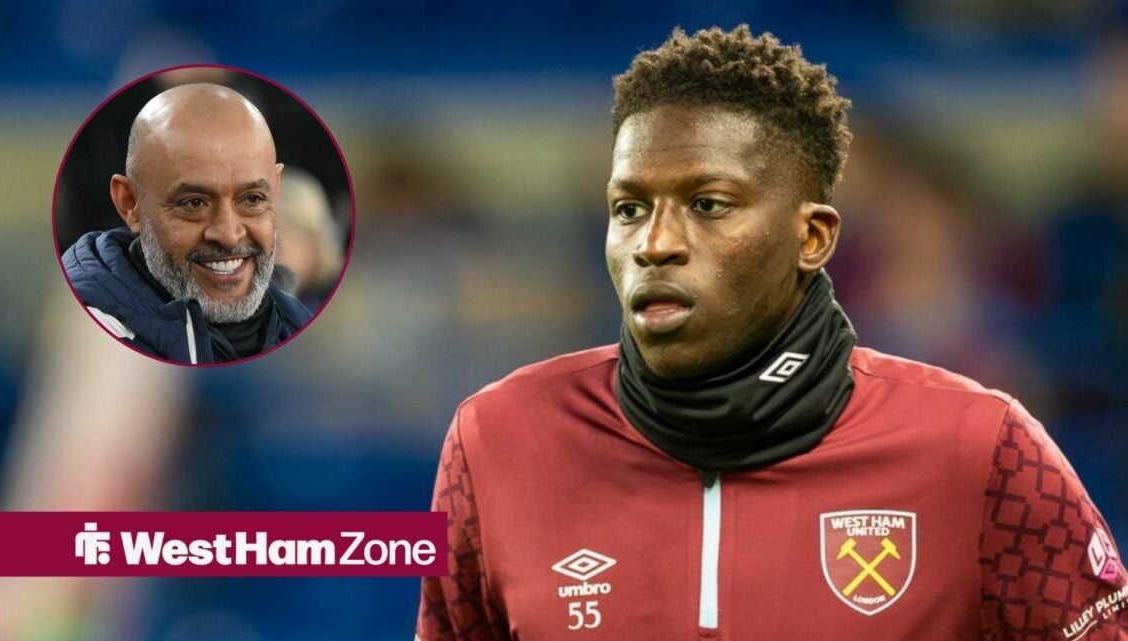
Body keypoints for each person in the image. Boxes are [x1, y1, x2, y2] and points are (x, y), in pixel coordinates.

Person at [417, 26, 1127, 640]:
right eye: (629, 208)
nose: (655, 243)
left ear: (812, 236)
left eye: (709, 203)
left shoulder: (980, 449)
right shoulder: (495, 442)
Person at [60, 83, 312, 364]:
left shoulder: (305, 332)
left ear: (275, 191)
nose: (229, 235)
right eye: (194, 203)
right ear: (130, 203)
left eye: (252, 199)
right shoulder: (83, 346)